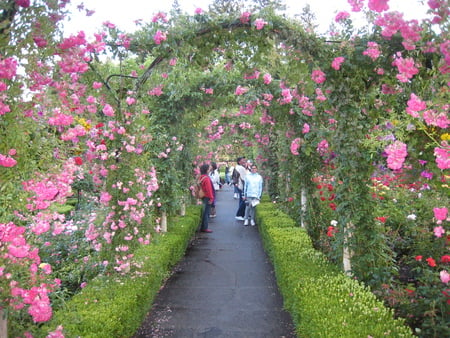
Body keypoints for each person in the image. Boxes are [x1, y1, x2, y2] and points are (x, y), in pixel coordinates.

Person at [198, 163, 214, 233]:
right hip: (207, 196)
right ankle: (205, 227)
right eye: (208, 169)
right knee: (206, 213)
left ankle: (203, 227)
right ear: (206, 170)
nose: (209, 170)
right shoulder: (206, 178)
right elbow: (209, 189)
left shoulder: (201, 177)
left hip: (203, 196)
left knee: (205, 212)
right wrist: (211, 198)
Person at [234, 157, 247, 221]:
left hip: (239, 185)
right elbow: (244, 178)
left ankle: (242, 214)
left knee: (241, 200)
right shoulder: (241, 168)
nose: (244, 161)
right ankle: (239, 214)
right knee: (243, 200)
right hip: (242, 186)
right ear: (239, 161)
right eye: (242, 160)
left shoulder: (237, 167)